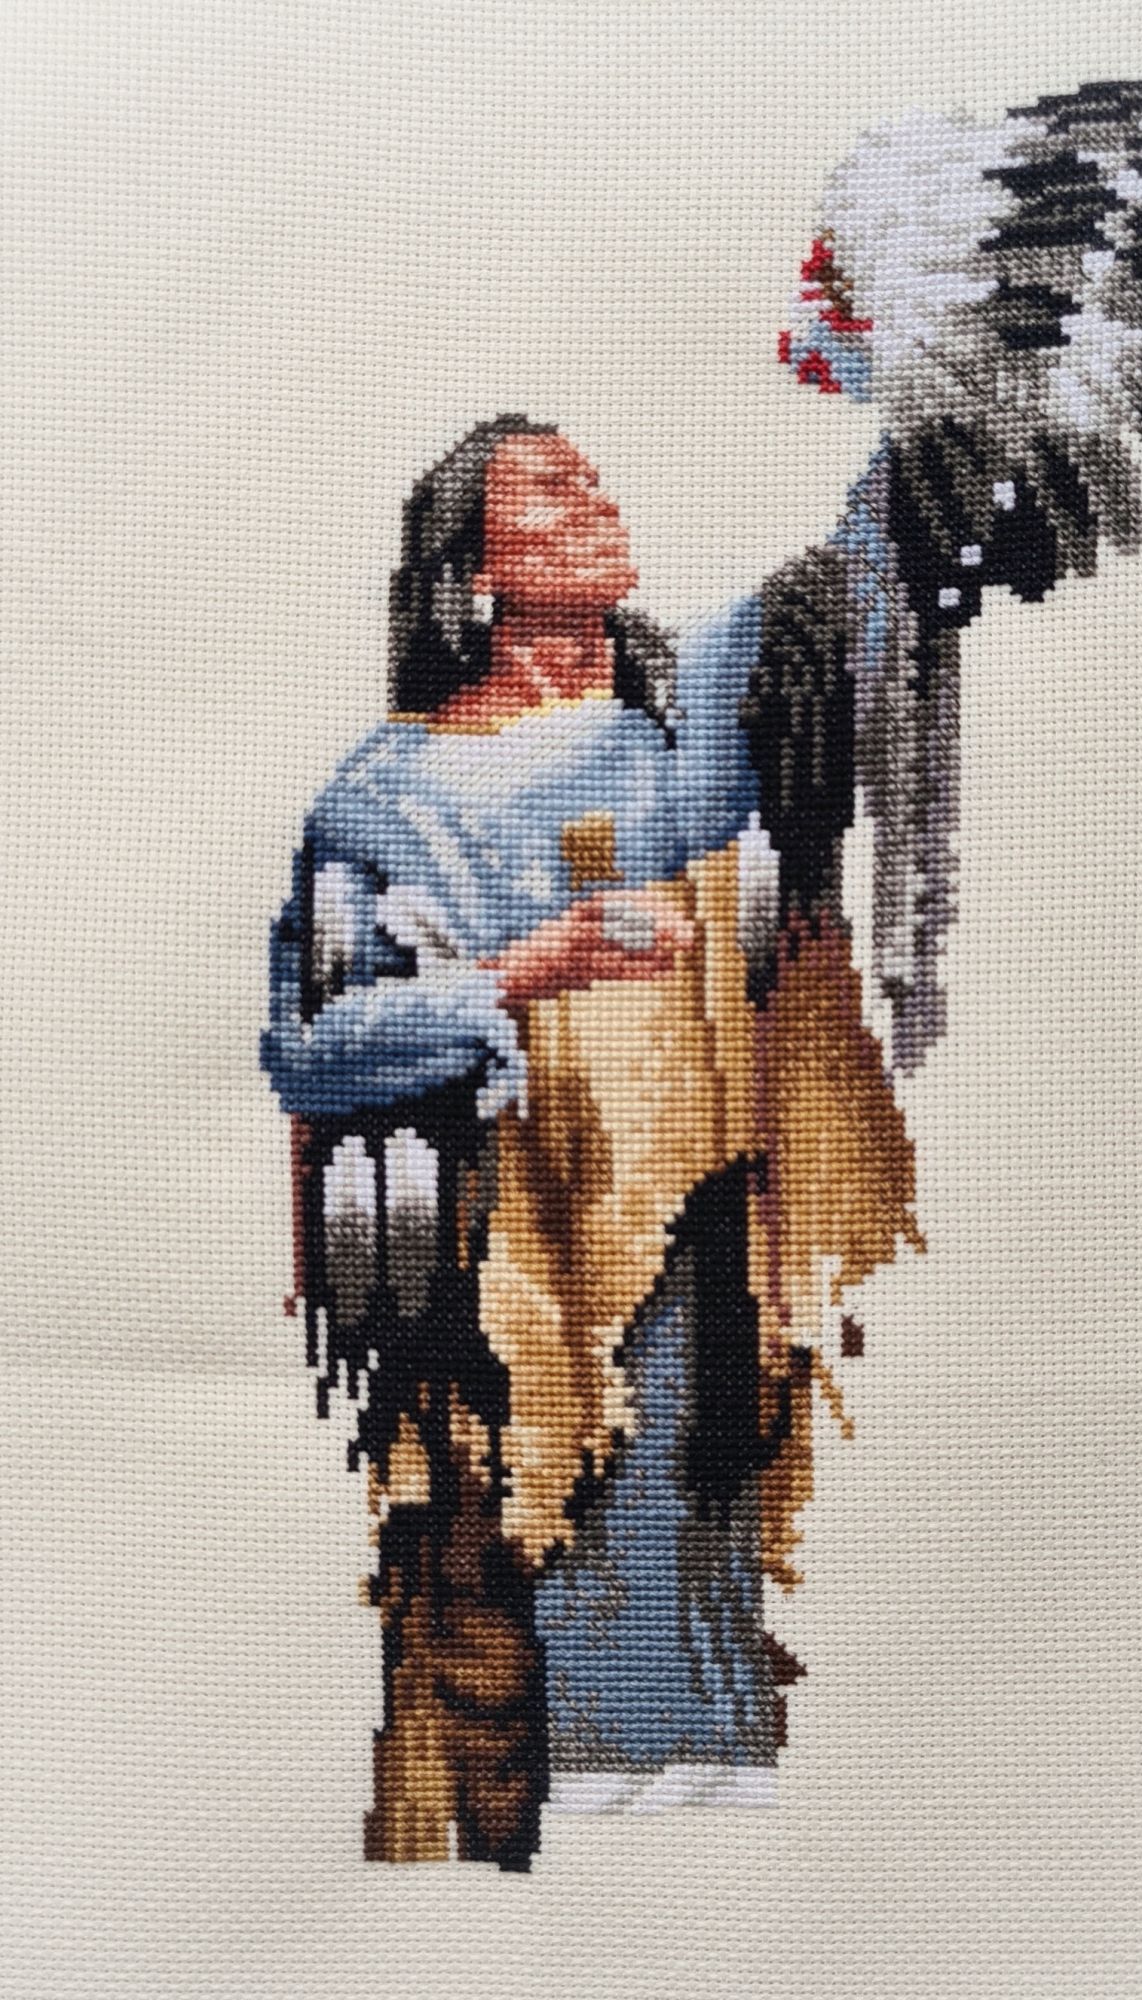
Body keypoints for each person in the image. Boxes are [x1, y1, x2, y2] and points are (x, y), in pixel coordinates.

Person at [261, 416, 918, 1865]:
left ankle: (700, 1862)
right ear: (474, 571)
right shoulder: (387, 798)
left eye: (595, 479)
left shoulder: (683, 723)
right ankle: (575, 1884)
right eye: (551, 491)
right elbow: (311, 1043)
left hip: (711, 1228)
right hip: (515, 1266)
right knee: (552, 1563)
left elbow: (865, 577)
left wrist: (945, 398)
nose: (596, 500)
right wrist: (523, 971)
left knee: (703, 1535)